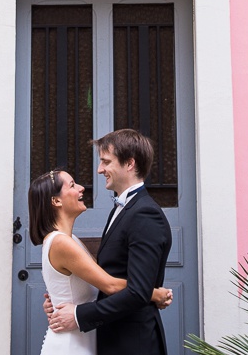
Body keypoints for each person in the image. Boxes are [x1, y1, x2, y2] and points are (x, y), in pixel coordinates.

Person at [47, 130, 173, 355]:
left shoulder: (145, 214)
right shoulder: (123, 209)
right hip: (113, 338)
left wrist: (78, 315)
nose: (99, 169)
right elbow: (109, 275)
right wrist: (62, 299)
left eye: (106, 162)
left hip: (133, 343)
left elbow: (137, 292)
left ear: (130, 163)